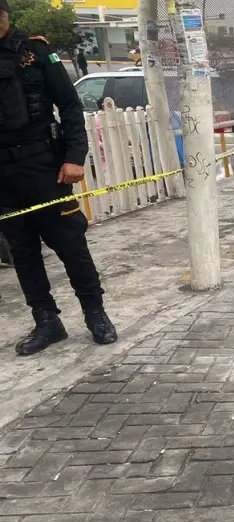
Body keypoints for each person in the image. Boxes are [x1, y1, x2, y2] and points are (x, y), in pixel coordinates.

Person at [0, 0, 117, 355]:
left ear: (4, 15)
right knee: (22, 252)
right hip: (3, 177)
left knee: (70, 243)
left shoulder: (34, 51)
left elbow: (68, 104)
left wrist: (74, 157)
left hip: (44, 167)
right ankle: (47, 321)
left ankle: (95, 314)